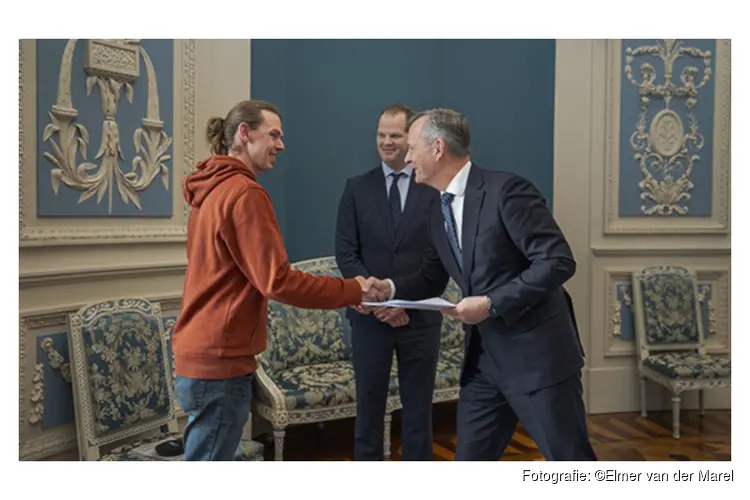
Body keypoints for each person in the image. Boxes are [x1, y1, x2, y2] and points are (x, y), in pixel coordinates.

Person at [370, 108, 597, 461]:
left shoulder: (506, 190)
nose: (407, 155)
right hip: (484, 365)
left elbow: (557, 261)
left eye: (412, 147)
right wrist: (387, 289)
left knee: (570, 463)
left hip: (538, 359)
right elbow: (431, 277)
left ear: (438, 148)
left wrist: (490, 303)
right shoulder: (436, 209)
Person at [171, 99, 385, 461]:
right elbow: (278, 281)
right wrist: (353, 289)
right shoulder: (245, 193)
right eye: (273, 134)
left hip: (199, 352)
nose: (281, 145)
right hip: (220, 359)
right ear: (243, 133)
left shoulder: (208, 191)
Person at [335, 104, 448, 461]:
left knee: (419, 413)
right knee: (368, 410)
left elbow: (438, 257)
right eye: (381, 134)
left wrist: (401, 299)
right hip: (370, 320)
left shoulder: (432, 189)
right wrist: (381, 304)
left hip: (420, 318)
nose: (386, 142)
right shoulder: (356, 188)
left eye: (395, 135)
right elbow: (346, 254)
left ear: (411, 138)